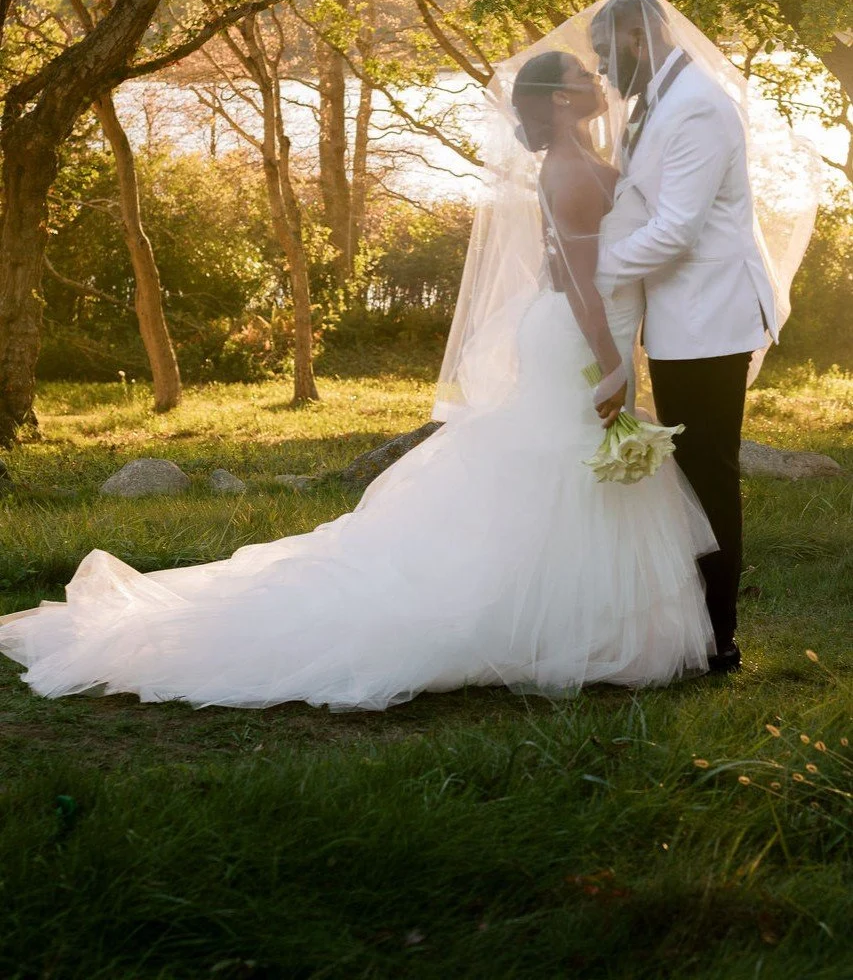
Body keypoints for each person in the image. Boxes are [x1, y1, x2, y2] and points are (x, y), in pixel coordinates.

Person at [0, 47, 715, 710]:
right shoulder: (570, 170)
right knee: (568, 461)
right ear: (559, 101)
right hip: (578, 331)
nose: (598, 84)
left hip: (577, 324)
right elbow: (580, 279)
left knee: (569, 466)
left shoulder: (581, 161)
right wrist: (611, 361)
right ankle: (544, 621)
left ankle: (570, 617)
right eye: (584, 79)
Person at [590, 0, 780, 673]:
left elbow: (676, 229)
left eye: (606, 56)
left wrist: (593, 270)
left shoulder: (695, 105)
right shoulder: (654, 103)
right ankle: (692, 626)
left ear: (637, 41)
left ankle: (719, 638)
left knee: (707, 474)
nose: (603, 74)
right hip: (678, 318)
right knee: (690, 474)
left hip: (707, 320)